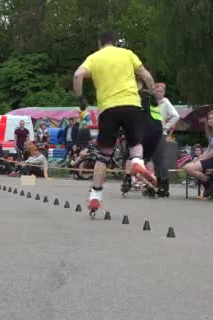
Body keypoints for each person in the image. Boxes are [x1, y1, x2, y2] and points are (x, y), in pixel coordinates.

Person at [73, 31, 157, 211]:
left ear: (99, 43)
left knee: (103, 156)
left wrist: (81, 99)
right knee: (135, 142)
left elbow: (77, 75)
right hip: (131, 105)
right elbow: (147, 76)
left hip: (108, 109)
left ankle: (96, 193)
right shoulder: (127, 54)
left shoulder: (94, 58)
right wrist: (152, 95)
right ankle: (137, 162)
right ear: (114, 42)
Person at [183, 110, 213, 197]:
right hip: (212, 158)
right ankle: (209, 183)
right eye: (209, 119)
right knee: (186, 166)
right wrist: (200, 157)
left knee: (190, 168)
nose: (211, 120)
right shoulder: (212, 133)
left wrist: (203, 159)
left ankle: (209, 181)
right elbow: (208, 149)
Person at [152, 82, 180, 195]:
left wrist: (166, 126)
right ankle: (157, 182)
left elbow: (176, 115)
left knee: (161, 158)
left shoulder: (165, 102)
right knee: (154, 158)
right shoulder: (152, 102)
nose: (159, 93)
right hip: (151, 133)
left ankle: (164, 184)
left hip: (161, 133)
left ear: (164, 92)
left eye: (161, 91)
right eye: (157, 91)